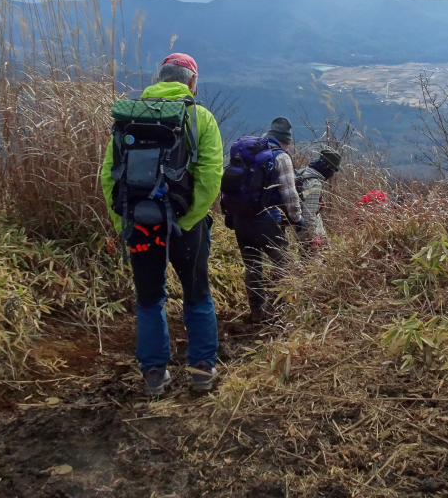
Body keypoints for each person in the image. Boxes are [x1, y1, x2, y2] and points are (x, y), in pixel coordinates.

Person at [100, 52, 224, 395]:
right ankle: (202, 371)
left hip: (139, 223)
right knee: (197, 293)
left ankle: (154, 374)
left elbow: (109, 175)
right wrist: (187, 220)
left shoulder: (128, 117)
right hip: (186, 226)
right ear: (192, 83)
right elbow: (210, 176)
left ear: (159, 78)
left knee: (149, 298)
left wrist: (124, 221)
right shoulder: (199, 117)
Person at [229, 116, 303, 323]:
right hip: (267, 221)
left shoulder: (246, 151)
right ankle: (276, 312)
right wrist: (297, 219)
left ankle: (257, 312)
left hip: (241, 219)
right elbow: (290, 195)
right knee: (285, 265)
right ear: (284, 140)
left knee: (253, 267)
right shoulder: (281, 157)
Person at [294, 147, 343, 255]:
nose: (334, 173)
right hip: (308, 233)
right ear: (328, 166)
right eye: (334, 169)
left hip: (303, 227)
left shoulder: (303, 172)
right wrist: (313, 239)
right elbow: (309, 215)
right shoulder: (314, 183)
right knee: (312, 260)